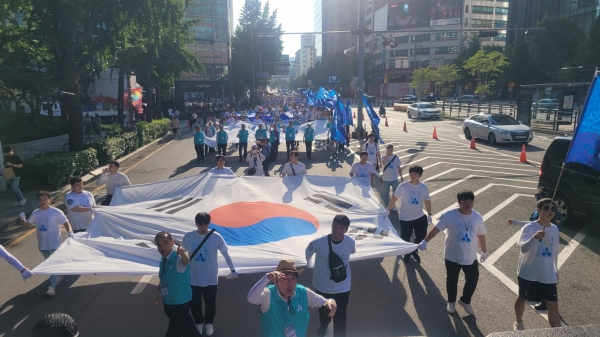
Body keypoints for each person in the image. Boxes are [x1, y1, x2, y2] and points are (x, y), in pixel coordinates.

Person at [418, 190, 488, 316]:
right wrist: (425, 241)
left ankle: (465, 300)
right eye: (464, 201)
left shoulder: (477, 217)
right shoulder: (450, 215)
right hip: (452, 256)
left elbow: (481, 235)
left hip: (470, 257)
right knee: (452, 280)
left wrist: (484, 251)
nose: (468, 204)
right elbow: (436, 229)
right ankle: (451, 302)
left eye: (470, 201)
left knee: (473, 279)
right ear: (459, 202)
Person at [247, 259, 338, 337]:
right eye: (285, 279)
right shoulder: (268, 294)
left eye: (293, 279)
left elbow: (326, 302)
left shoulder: (303, 292)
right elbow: (251, 298)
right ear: (276, 281)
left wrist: (331, 303)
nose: (289, 283)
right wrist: (267, 277)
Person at [182, 213, 238, 336]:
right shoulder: (188, 236)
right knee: (195, 303)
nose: (203, 228)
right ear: (196, 224)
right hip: (193, 277)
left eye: (206, 224)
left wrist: (232, 269)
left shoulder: (216, 237)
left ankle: (209, 323)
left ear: (209, 224)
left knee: (210, 303)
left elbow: (225, 254)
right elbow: (182, 253)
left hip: (211, 278)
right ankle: (199, 322)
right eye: (201, 225)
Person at [513, 198, 561, 330]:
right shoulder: (529, 227)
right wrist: (534, 237)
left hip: (547, 274)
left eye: (553, 209)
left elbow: (554, 252)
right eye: (547, 208)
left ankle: (558, 333)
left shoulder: (555, 229)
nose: (551, 211)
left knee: (553, 307)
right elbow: (523, 248)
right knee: (523, 298)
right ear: (538, 210)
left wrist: (555, 271)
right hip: (529, 273)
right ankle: (519, 322)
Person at [306, 215, 355, 337]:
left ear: (346, 230)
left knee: (341, 316)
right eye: (335, 226)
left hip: (342, 287)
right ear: (332, 226)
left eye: (341, 228)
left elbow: (352, 251)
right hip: (323, 286)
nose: (337, 231)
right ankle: (323, 328)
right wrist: (309, 264)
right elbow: (308, 251)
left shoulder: (350, 242)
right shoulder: (318, 242)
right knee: (324, 314)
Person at [20, 191, 74, 296]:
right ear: (38, 202)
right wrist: (22, 219)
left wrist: (70, 232)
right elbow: (27, 225)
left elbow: (66, 222)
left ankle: (52, 287)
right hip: (42, 245)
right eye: (40, 200)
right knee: (51, 264)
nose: (42, 201)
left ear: (50, 200)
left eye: (45, 199)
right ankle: (58, 276)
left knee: (52, 265)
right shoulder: (36, 212)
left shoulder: (56, 212)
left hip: (54, 243)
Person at [154, 231, 201, 337]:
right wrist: (158, 292)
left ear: (172, 242)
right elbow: (163, 278)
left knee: (177, 331)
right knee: (185, 328)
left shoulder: (177, 257)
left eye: (165, 243)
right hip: (169, 301)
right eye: (159, 244)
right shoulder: (163, 259)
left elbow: (185, 261)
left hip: (180, 302)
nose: (162, 247)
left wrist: (183, 253)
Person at [386, 165, 432, 263]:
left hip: (419, 216)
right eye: (411, 173)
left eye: (415, 174)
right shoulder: (403, 186)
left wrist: (430, 214)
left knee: (422, 236)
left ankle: (414, 250)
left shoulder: (423, 187)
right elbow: (394, 197)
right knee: (405, 238)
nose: (412, 175)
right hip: (405, 217)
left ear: (420, 175)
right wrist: (388, 209)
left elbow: (427, 201)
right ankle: (407, 253)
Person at [380, 145, 403, 212]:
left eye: (392, 149)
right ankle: (387, 205)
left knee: (395, 193)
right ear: (386, 149)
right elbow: (383, 163)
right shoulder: (383, 157)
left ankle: (393, 205)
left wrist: (401, 176)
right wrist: (387, 155)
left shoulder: (396, 157)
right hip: (385, 179)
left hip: (394, 179)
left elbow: (399, 167)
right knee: (386, 193)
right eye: (389, 149)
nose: (390, 150)